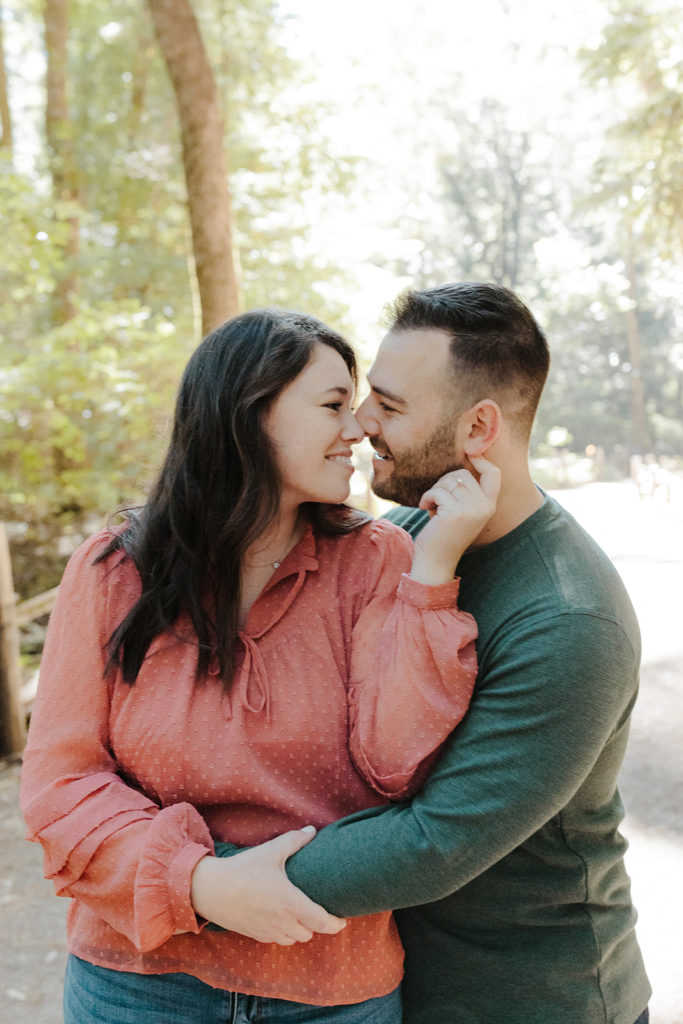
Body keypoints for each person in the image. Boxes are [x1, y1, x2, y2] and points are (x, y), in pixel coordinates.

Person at [20, 307, 500, 1024]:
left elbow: (399, 764)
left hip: (330, 984)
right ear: (248, 413)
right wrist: (200, 883)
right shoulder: (114, 569)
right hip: (140, 979)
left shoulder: (378, 562)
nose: (360, 426)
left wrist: (431, 572)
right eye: (334, 404)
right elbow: (61, 782)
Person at [213, 283, 652, 1024]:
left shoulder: (570, 618)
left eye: (388, 404)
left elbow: (433, 842)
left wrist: (204, 884)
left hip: (529, 999)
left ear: (479, 426)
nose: (359, 422)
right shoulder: (413, 534)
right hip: (400, 983)